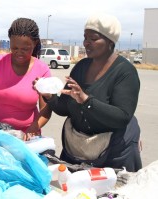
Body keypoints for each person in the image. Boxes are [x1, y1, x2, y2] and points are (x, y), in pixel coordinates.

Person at [39, 13, 142, 172]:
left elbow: (122, 117)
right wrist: (49, 96)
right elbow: (65, 107)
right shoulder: (81, 67)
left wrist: (87, 101)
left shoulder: (125, 72)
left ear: (110, 41)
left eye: (93, 39)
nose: (86, 43)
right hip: (78, 149)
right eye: (85, 38)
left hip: (115, 152)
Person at [0, 18, 52, 140]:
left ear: (34, 43)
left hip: (26, 136)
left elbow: (46, 109)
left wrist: (35, 126)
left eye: (25, 49)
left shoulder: (42, 69)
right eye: (14, 48)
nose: (19, 53)